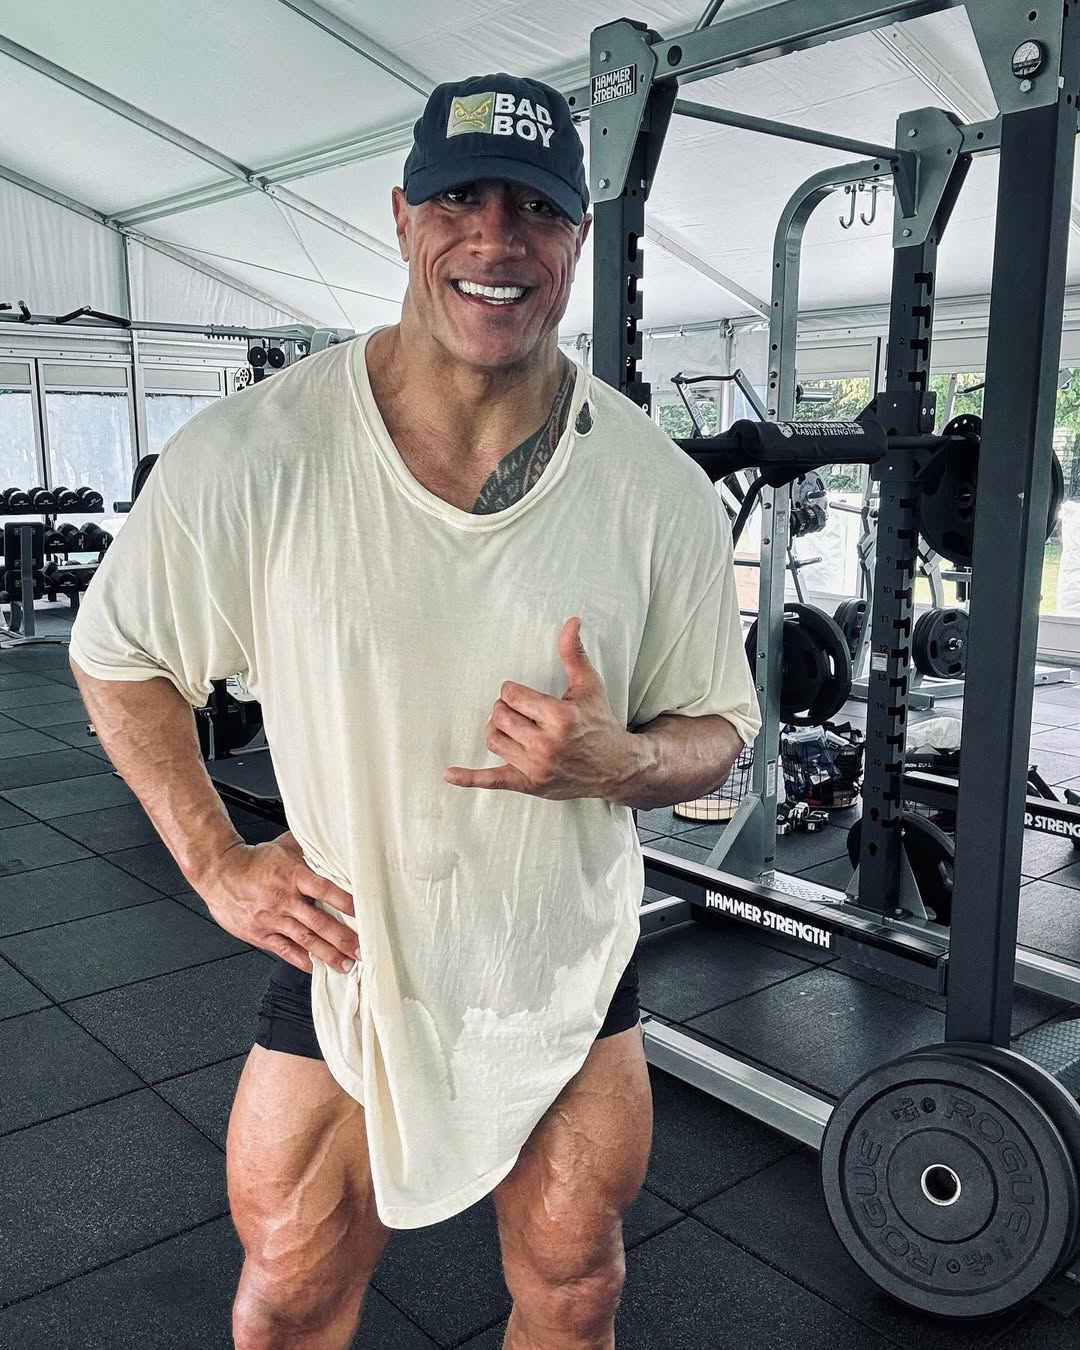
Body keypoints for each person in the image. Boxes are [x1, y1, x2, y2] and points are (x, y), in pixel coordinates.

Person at [69, 71, 760, 1350]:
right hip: (352, 955)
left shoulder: (655, 488)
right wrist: (216, 861)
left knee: (576, 1285)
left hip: (559, 953)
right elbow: (119, 657)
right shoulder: (254, 454)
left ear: (577, 238)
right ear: (401, 218)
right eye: (459, 202)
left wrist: (619, 761)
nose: (495, 241)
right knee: (288, 1296)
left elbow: (722, 731)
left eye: (534, 210)